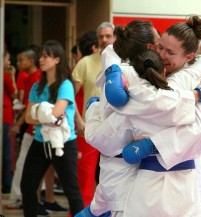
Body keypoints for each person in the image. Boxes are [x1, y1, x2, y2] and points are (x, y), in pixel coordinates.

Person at [81, 17, 201, 217]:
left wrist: (151, 145)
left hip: (182, 183)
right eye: (160, 47)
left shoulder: (188, 80)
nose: (161, 54)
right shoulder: (137, 74)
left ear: (189, 57)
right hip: (141, 183)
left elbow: (197, 131)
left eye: (170, 52)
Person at [21, 40, 84, 217]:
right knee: (28, 186)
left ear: (57, 60)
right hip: (40, 141)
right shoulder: (36, 87)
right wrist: (45, 114)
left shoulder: (66, 85)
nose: (41, 59)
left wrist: (40, 112)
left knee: (72, 191)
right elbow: (28, 117)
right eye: (40, 56)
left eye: (46, 56)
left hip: (64, 143)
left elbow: (56, 113)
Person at [7, 46, 67, 215]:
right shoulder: (35, 82)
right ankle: (37, 200)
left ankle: (35, 199)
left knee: (62, 180)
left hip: (44, 134)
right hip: (38, 133)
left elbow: (33, 109)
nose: (19, 64)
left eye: (21, 60)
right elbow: (29, 112)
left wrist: (22, 123)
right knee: (33, 173)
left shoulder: (45, 80)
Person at [72, 30, 106, 206]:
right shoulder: (85, 63)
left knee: (110, 179)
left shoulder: (126, 63)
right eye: (101, 36)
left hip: (115, 130)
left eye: (109, 36)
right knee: (85, 178)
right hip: (89, 130)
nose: (105, 40)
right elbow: (69, 95)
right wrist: (78, 120)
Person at [2, 49, 17, 195]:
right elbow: (14, 93)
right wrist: (12, 76)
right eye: (7, 59)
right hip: (5, 116)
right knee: (7, 151)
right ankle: (7, 183)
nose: (9, 62)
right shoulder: (5, 76)